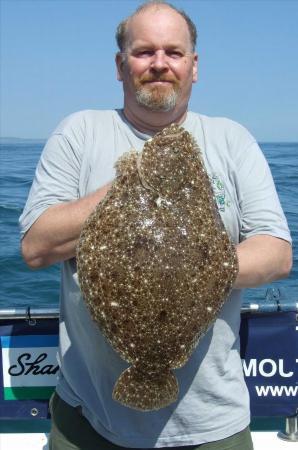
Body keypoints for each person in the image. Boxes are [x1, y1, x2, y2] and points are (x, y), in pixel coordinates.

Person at [20, 1, 292, 449]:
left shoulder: (232, 139)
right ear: (120, 65)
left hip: (213, 423)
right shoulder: (80, 132)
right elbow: (35, 248)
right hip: (89, 418)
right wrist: (132, 182)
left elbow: (278, 253)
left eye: (174, 52)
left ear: (194, 66)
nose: (160, 63)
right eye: (144, 52)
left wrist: (196, 273)